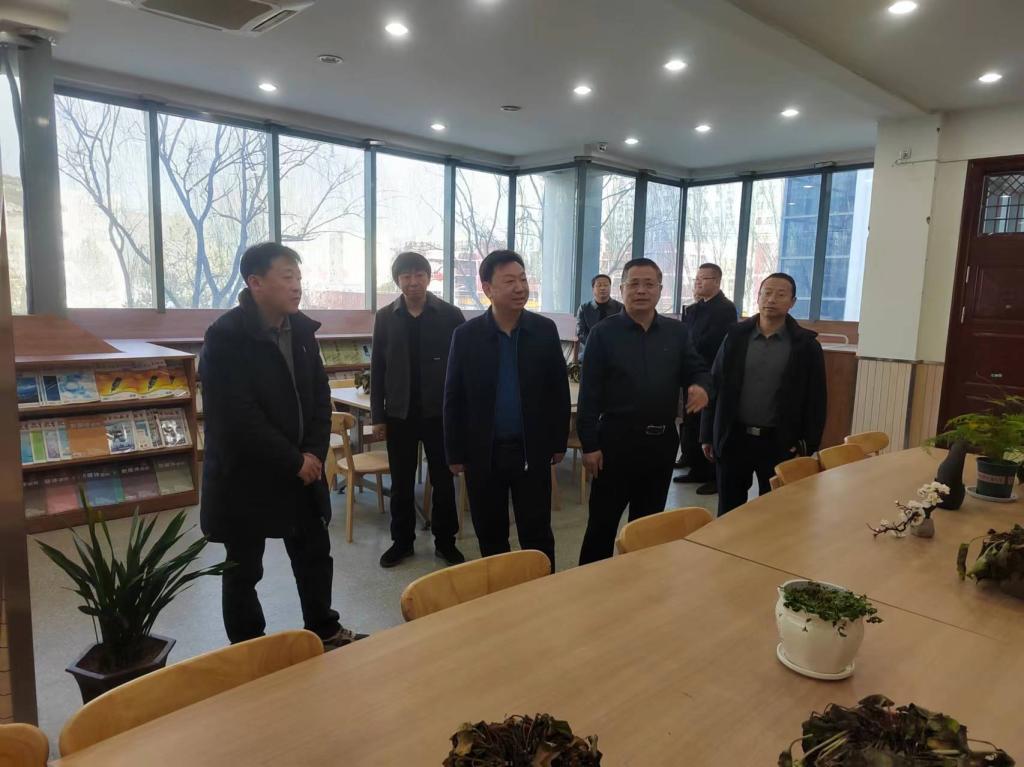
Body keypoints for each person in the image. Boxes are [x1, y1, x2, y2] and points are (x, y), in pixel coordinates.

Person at [200, 242, 365, 649]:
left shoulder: (303, 331)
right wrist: (293, 459)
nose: (296, 286)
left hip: (302, 469)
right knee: (243, 568)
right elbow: (237, 416)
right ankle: (250, 649)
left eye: (299, 278)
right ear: (255, 283)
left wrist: (312, 454)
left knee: (314, 553)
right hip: (247, 473)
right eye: (287, 277)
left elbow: (319, 396)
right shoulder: (225, 337)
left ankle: (324, 628)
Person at [577, 258, 713, 565]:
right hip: (614, 444)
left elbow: (698, 369)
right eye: (634, 284)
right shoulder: (602, 333)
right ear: (622, 289)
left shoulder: (677, 333)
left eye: (649, 284)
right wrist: (590, 445)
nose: (641, 290)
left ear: (660, 290)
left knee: (648, 527)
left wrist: (701, 386)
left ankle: (641, 580)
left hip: (660, 445)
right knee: (601, 525)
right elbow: (589, 395)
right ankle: (588, 585)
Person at [444, 250, 570, 570]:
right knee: (490, 533)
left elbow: (558, 390)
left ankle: (543, 588)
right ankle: (501, 593)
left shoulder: (543, 330)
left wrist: (558, 442)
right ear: (488, 288)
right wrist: (454, 452)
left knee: (537, 531)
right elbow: (454, 397)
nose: (520, 287)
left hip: (531, 450)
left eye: (523, 279)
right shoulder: (466, 336)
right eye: (510, 281)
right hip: (483, 453)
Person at [701, 272, 827, 517]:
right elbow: (714, 385)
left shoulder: (805, 345)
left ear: (792, 302)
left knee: (774, 515)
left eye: (780, 294)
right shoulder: (735, 337)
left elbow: (817, 399)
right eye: (766, 293)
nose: (771, 299)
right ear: (758, 297)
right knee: (729, 512)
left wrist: (808, 443)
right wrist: (707, 433)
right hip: (734, 438)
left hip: (780, 443)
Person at [370, 251, 466, 568]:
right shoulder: (386, 317)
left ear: (428, 277)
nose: (413, 281)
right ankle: (402, 542)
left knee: (443, 481)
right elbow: (378, 369)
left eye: (419, 274)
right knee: (401, 483)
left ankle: (446, 542)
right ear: (398, 281)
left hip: (440, 415)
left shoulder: (450, 315)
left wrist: (462, 414)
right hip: (400, 414)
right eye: (406, 276)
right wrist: (378, 417)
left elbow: (463, 366)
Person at [674, 263, 737, 494]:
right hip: (691, 372)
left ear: (717, 282)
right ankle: (696, 468)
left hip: (711, 373)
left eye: (704, 278)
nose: (698, 282)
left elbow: (713, 342)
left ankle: (713, 475)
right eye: (697, 278)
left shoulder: (725, 308)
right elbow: (685, 336)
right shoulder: (695, 308)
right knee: (691, 422)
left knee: (707, 425)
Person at [575, 273, 623, 358]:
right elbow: (581, 332)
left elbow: (623, 331)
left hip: (614, 351)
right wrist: (595, 344)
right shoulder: (584, 308)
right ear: (593, 289)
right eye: (599, 285)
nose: (603, 288)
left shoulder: (620, 308)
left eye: (606, 285)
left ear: (610, 287)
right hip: (591, 349)